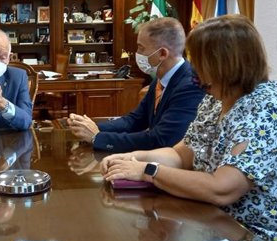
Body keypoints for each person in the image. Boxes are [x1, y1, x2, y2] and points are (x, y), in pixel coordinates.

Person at [101, 15, 277, 241]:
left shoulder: (266, 109)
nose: (193, 66)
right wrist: (131, 158)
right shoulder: (216, 99)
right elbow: (181, 154)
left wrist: (148, 171)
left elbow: (222, 189)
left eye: (198, 59)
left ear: (222, 63)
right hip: (227, 228)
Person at [67, 17, 205, 153]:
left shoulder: (190, 85)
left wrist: (98, 138)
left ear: (162, 53)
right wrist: (90, 127)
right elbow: (135, 121)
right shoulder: (161, 78)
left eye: (141, 48)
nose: (137, 54)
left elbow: (161, 139)